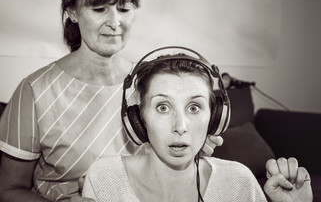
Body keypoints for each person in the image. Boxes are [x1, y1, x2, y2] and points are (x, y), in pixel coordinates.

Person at [0, 0, 221, 202]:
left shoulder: (151, 84)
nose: (115, 22)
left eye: (124, 8)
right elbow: (8, 190)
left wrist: (188, 154)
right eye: (99, 9)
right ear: (73, 12)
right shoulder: (33, 91)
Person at [83, 48, 313, 202]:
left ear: (214, 118)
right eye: (163, 107)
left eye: (194, 108)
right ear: (138, 118)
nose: (180, 126)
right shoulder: (104, 179)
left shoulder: (238, 183)